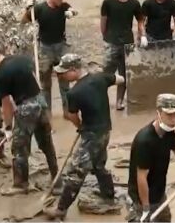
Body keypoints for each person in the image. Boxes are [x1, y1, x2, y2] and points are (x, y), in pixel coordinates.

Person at [43, 54, 125, 220]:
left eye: (64, 72)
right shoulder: (100, 78)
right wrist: (101, 76)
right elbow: (121, 79)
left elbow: (72, 116)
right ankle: (108, 195)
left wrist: (80, 126)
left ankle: (61, 209)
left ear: (74, 70)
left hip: (91, 134)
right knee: (99, 164)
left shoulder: (74, 93)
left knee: (76, 171)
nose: (61, 76)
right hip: (105, 130)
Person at [0, 41, 59, 196]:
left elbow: (6, 104)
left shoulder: (0, 75)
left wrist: (7, 127)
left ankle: (21, 184)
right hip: (40, 101)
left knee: (19, 148)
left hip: (26, 108)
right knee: (46, 143)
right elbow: (34, 80)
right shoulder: (21, 59)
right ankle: (56, 177)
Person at [126, 94, 175, 222]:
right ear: (159, 113)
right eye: (169, 115)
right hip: (141, 198)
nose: (174, 120)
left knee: (165, 219)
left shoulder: (168, 131)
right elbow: (141, 177)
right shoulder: (144, 141)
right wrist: (145, 208)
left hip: (159, 192)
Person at [22, 0, 77, 118]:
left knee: (65, 81)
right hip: (45, 49)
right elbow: (23, 21)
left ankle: (67, 111)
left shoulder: (63, 7)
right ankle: (47, 115)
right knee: (45, 84)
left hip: (61, 47)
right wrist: (28, 9)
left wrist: (72, 12)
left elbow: (73, 10)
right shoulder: (40, 9)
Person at [100, 0, 145, 111]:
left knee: (124, 74)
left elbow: (140, 20)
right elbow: (103, 21)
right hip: (111, 42)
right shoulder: (108, 2)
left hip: (127, 43)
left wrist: (142, 35)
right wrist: (106, 37)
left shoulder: (134, 4)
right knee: (106, 73)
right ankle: (102, 100)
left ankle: (119, 101)